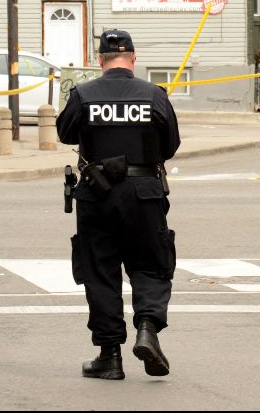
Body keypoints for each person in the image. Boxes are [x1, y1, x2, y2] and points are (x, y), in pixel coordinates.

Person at [57, 29, 181, 380]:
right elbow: (170, 145)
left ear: (99, 60)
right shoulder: (154, 95)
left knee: (100, 272)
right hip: (144, 191)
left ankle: (109, 356)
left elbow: (65, 133)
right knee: (151, 265)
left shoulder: (83, 94)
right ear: (134, 58)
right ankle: (147, 328)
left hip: (97, 193)